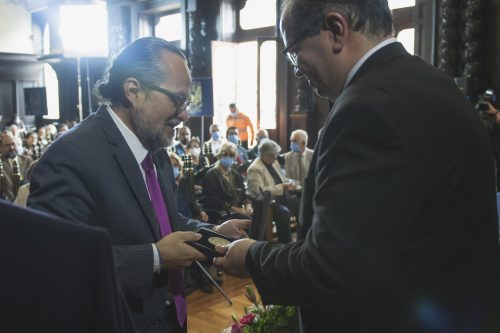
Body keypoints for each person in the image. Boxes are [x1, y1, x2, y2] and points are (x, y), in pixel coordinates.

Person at [214, 1, 500, 332]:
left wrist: (252, 256)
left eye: (294, 54)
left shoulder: (365, 110)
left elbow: (332, 268)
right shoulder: (437, 84)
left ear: (336, 30)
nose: (296, 71)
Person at [28, 37, 249, 333]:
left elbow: (164, 221)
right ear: (134, 90)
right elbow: (57, 265)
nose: (185, 114)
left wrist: (211, 235)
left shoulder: (153, 144)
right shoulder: (70, 156)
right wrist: (155, 257)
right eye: (178, 99)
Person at [246, 139, 295, 243]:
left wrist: (289, 182)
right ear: (263, 154)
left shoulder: (274, 162)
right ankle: (285, 244)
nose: (275, 158)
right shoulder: (254, 168)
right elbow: (261, 191)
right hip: (268, 203)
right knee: (284, 214)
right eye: (272, 156)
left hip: (282, 197)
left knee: (302, 204)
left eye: (276, 155)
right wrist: (282, 187)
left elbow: (281, 178)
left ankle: (303, 239)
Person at [200, 142, 252, 222]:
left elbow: (243, 193)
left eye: (231, 155)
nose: (228, 157)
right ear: (220, 155)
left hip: (240, 209)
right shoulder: (211, 174)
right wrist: (235, 208)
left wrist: (248, 205)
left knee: (259, 218)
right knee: (250, 222)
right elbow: (212, 199)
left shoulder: (235, 173)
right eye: (225, 154)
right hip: (225, 211)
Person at [0, 132, 32, 201]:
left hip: (25, 201)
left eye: (13, 144)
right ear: (1, 148)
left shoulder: (27, 160)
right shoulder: (1, 163)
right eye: (7, 145)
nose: (11, 148)